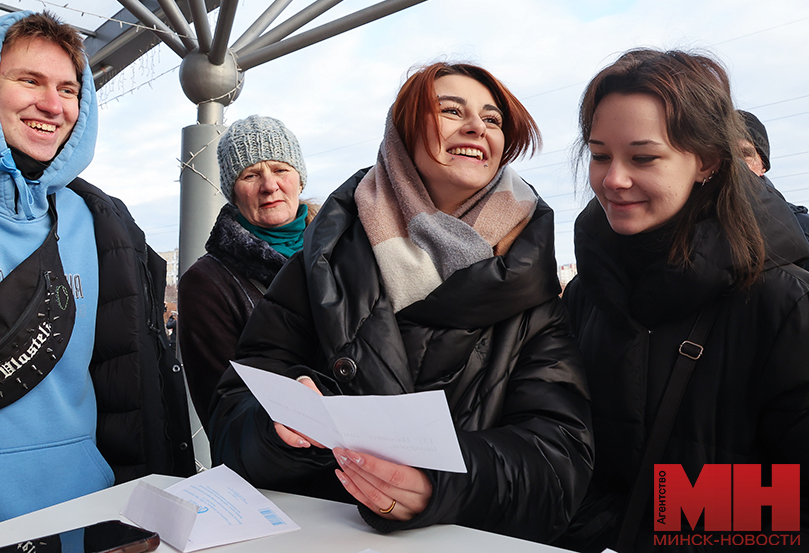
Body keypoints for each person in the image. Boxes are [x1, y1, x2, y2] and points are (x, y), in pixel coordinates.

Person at [207, 63, 594, 543]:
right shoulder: (323, 258)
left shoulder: (531, 283)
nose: (476, 127)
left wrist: (443, 484)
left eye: (493, 120)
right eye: (451, 111)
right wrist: (276, 432)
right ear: (402, 134)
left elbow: (561, 462)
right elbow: (231, 413)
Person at [0, 11, 193, 544]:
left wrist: (142, 506)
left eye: (68, 88)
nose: (52, 105)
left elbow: (133, 385)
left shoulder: (106, 223)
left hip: (85, 516)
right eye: (29, 80)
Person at [558, 49, 809, 552]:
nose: (613, 180)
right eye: (601, 154)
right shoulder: (586, 296)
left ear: (708, 162)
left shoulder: (783, 302)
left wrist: (649, 519)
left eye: (643, 157)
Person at [177, 115, 313, 432]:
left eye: (281, 169)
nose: (269, 186)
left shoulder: (346, 253)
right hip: (282, 465)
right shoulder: (207, 283)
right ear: (233, 193)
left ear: (299, 179)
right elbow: (225, 413)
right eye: (251, 175)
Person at [738, 109, 809, 270]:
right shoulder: (687, 224)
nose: (736, 164)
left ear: (763, 166)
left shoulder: (803, 229)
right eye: (726, 154)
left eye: (745, 154)